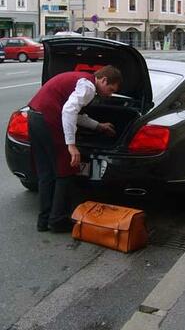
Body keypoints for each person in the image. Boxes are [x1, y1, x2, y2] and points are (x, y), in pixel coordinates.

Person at [27, 66, 122, 232]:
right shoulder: (89, 86)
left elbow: (73, 113)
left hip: (34, 117)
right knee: (66, 171)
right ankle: (57, 220)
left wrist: (98, 126)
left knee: (46, 174)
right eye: (110, 89)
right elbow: (69, 110)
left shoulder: (81, 79)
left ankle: (44, 221)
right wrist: (71, 145)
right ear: (104, 80)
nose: (110, 94)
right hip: (49, 120)